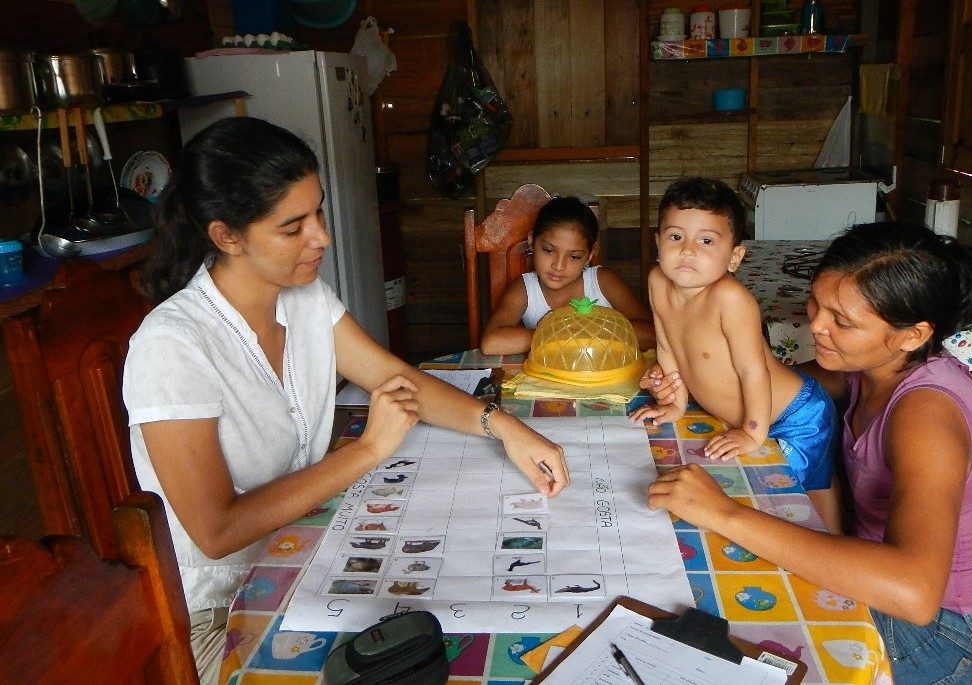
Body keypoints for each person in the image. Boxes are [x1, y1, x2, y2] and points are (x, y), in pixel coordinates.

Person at [122, 117, 569, 684]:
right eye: (293, 227)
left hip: (304, 553)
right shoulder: (172, 346)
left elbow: (395, 378)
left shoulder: (304, 297)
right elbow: (216, 531)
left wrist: (503, 426)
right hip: (219, 613)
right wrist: (367, 450)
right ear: (226, 236)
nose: (322, 238)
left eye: (318, 212)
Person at [646, 221, 972, 684]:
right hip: (898, 583)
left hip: (952, 635)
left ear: (911, 334)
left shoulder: (927, 417)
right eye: (816, 305)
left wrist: (723, 513)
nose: (816, 326)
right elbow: (799, 388)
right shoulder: (878, 366)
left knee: (720, 619)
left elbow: (914, 593)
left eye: (841, 321)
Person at [629, 177, 839, 531]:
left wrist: (753, 433)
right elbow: (667, 346)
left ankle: (844, 561)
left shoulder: (731, 299)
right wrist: (676, 403)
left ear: (735, 257)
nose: (688, 250)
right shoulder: (657, 282)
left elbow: (753, 372)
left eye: (706, 241)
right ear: (658, 242)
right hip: (749, 417)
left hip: (794, 416)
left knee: (812, 506)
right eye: (675, 237)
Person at [480, 195, 655, 355]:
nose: (558, 265)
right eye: (548, 250)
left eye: (574, 256)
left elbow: (653, 335)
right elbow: (491, 343)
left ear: (589, 256)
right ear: (532, 242)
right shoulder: (525, 289)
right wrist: (560, 333)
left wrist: (591, 327)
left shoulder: (602, 282)